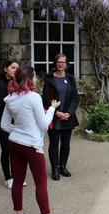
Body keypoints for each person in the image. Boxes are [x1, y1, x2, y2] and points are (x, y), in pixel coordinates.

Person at [1, 66, 63, 214]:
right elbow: (43, 125)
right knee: (41, 183)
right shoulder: (33, 97)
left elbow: (4, 125)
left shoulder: (10, 97)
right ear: (29, 79)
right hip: (31, 145)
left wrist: (18, 132)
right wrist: (51, 108)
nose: (37, 80)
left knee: (18, 181)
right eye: (35, 77)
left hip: (15, 143)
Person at [0, 59, 27, 189]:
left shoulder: (18, 82)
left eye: (17, 68)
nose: (15, 70)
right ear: (5, 69)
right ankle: (8, 178)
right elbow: (6, 101)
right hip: (4, 121)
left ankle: (17, 177)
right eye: (12, 67)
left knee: (16, 150)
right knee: (6, 149)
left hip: (16, 120)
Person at [42, 53, 79, 181]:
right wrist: (56, 112)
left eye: (63, 62)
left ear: (66, 64)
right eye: (58, 62)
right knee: (53, 144)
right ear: (55, 63)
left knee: (65, 144)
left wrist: (69, 113)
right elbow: (46, 99)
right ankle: (55, 168)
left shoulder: (70, 78)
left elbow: (75, 98)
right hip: (54, 116)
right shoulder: (49, 79)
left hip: (68, 116)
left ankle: (63, 166)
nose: (60, 64)